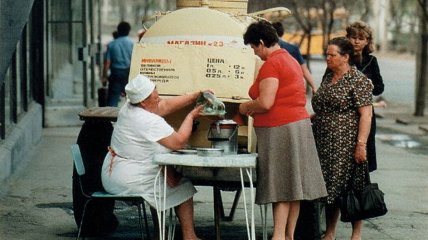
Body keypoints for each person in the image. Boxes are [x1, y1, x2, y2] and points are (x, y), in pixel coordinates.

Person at [239, 20, 327, 240]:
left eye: (253, 48)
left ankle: (278, 236)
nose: (255, 53)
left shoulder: (272, 64)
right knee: (293, 186)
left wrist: (245, 107)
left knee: (280, 187)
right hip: (298, 126)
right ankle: (288, 235)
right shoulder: (290, 59)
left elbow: (266, 102)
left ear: (261, 42)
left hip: (279, 129)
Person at [101, 74, 203, 240]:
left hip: (113, 173)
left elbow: (164, 106)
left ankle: (159, 234)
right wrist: (191, 116)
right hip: (127, 178)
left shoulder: (129, 107)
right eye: (155, 97)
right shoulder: (147, 120)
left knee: (161, 185)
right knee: (183, 187)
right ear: (143, 101)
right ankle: (189, 236)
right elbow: (178, 142)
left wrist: (194, 96)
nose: (159, 99)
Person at [311, 37, 373, 240]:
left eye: (332, 55)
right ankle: (329, 232)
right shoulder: (328, 77)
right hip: (323, 142)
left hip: (346, 143)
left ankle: (356, 234)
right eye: (326, 54)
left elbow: (366, 114)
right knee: (330, 188)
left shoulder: (358, 80)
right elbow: (323, 106)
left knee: (352, 187)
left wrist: (361, 145)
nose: (327, 58)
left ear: (345, 57)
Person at [346, 21, 385, 172]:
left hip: (366, 114)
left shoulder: (371, 61)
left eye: (361, 38)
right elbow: (326, 82)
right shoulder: (342, 57)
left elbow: (379, 88)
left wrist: (371, 85)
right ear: (347, 38)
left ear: (367, 41)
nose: (356, 41)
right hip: (345, 115)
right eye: (353, 37)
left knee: (363, 158)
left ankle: (362, 193)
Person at [272, 21, 317, 93]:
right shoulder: (293, 48)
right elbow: (304, 70)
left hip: (273, 86)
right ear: (282, 33)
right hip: (291, 87)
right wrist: (314, 87)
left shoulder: (266, 48)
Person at [102, 21, 134, 107]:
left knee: (113, 98)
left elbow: (107, 63)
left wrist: (104, 77)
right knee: (131, 99)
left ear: (118, 30)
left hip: (115, 74)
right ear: (128, 31)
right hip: (128, 74)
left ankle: (111, 118)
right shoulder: (132, 45)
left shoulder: (112, 44)